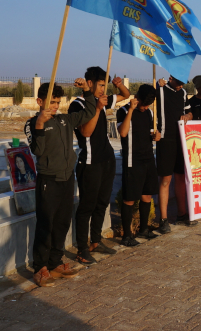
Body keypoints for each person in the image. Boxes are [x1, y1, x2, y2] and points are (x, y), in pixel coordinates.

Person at [25, 79, 95, 287]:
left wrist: (87, 90)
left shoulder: (65, 120)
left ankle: (55, 261)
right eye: (52, 102)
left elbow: (89, 112)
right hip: (48, 180)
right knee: (46, 224)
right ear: (40, 101)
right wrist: (40, 124)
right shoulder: (32, 123)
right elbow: (37, 151)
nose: (55, 106)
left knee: (62, 222)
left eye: (57, 102)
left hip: (67, 178)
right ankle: (40, 267)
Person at [70, 67, 129, 265]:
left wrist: (119, 85)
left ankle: (96, 241)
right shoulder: (78, 105)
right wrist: (96, 108)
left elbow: (125, 96)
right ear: (89, 83)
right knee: (86, 206)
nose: (104, 89)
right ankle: (82, 249)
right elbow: (86, 132)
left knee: (102, 203)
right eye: (101, 85)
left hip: (107, 159)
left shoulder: (102, 101)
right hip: (90, 162)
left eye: (105, 85)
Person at [117, 85, 161, 247]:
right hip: (132, 160)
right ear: (137, 98)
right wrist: (131, 110)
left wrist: (157, 136)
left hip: (148, 158)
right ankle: (127, 236)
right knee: (129, 198)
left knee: (147, 195)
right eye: (143, 104)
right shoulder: (123, 111)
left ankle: (144, 229)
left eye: (148, 105)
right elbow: (123, 132)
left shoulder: (150, 113)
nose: (145, 108)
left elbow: (152, 132)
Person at [156, 75, 194, 230]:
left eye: (183, 84)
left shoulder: (183, 93)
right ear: (170, 78)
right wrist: (157, 84)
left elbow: (190, 113)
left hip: (181, 140)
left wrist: (187, 116)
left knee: (180, 177)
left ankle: (181, 214)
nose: (180, 86)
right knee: (165, 179)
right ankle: (163, 219)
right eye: (178, 83)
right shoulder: (160, 89)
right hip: (165, 139)